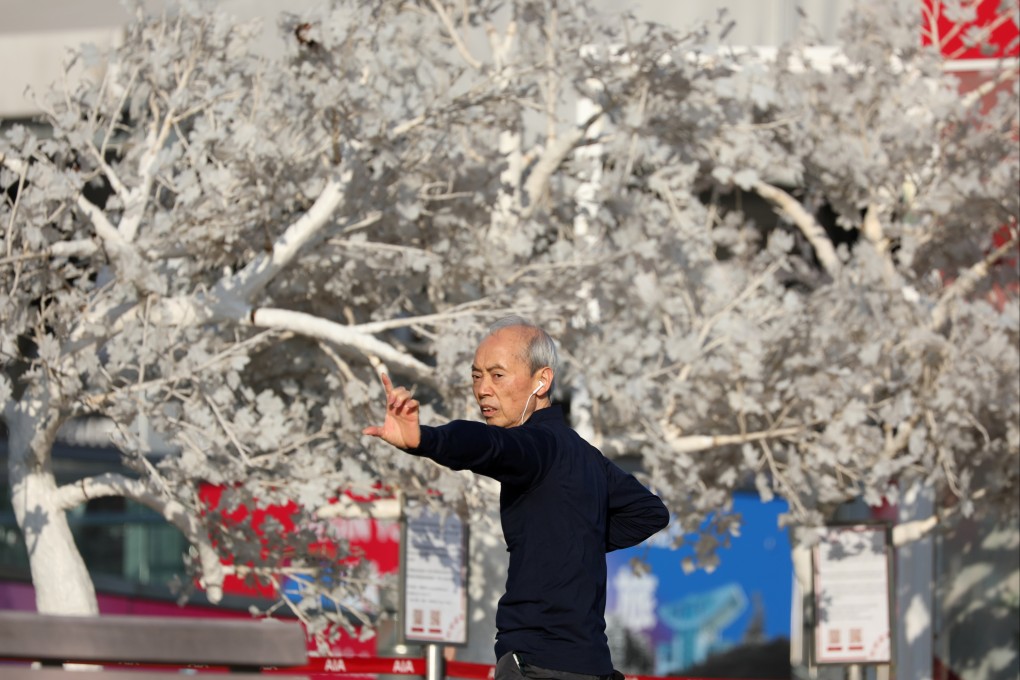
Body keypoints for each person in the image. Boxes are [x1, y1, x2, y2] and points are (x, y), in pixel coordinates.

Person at [363, 315, 669, 679]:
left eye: (497, 375)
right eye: (476, 375)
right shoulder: (583, 454)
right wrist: (567, 540)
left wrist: (425, 439)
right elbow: (650, 511)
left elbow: (487, 445)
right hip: (589, 666)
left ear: (542, 380)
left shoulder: (536, 446)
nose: (482, 389)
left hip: (539, 665)